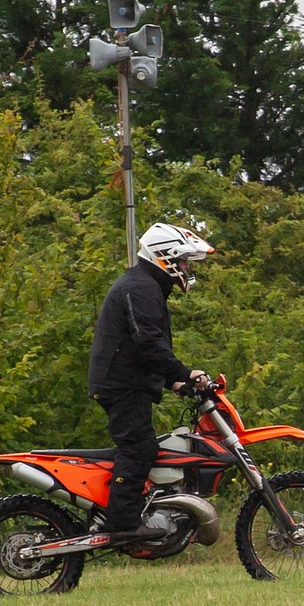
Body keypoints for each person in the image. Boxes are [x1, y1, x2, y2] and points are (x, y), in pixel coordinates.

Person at [87, 221, 214, 542]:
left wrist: (175, 382)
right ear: (166, 257)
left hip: (125, 381)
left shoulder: (146, 285)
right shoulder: (142, 287)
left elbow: (141, 348)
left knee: (140, 446)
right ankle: (123, 522)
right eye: (183, 261)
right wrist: (186, 373)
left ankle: (133, 511)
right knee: (139, 448)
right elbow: (148, 343)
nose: (186, 268)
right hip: (121, 385)